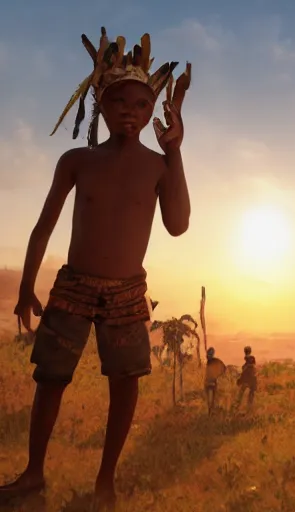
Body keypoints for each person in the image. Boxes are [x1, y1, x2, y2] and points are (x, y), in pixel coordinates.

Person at [3, 27, 192, 508]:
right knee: (49, 377)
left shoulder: (157, 165)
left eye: (142, 104)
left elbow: (178, 225)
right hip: (73, 286)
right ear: (100, 105)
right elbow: (43, 227)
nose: (131, 111)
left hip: (128, 292)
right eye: (119, 102)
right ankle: (33, 473)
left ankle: (105, 480)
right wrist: (26, 287)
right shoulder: (76, 160)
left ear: (154, 111)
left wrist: (174, 150)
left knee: (124, 384)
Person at [233, 346, 258, 412]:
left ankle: (236, 407)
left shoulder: (247, 363)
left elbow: (245, 372)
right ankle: (249, 409)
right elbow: (254, 370)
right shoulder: (252, 362)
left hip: (247, 379)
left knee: (241, 393)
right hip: (252, 379)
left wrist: (240, 379)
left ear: (245, 352)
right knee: (251, 395)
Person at [204, 348, 227, 415]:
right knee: (213, 398)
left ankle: (210, 412)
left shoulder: (210, 361)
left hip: (208, 382)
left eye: (208, 354)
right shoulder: (216, 361)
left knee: (210, 398)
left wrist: (218, 375)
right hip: (213, 382)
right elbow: (224, 368)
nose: (207, 356)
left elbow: (224, 369)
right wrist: (218, 375)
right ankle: (211, 411)